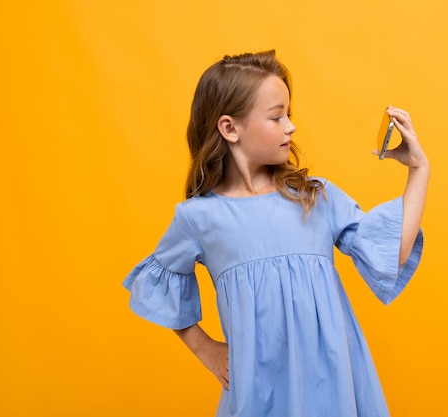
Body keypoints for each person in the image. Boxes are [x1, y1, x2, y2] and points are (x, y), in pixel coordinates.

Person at [123, 50, 429, 417]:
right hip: (258, 393)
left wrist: (419, 169)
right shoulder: (198, 217)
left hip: (333, 388)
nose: (290, 127)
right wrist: (206, 348)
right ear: (230, 128)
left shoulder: (314, 196)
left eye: (289, 114)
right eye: (276, 116)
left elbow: (390, 252)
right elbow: (158, 285)